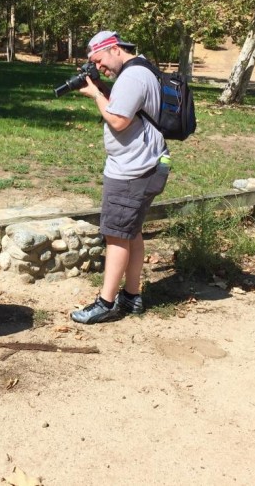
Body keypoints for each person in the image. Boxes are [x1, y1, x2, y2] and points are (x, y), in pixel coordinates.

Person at [71, 31, 171, 324]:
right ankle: (132, 295)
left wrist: (96, 94)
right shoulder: (140, 70)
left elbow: (117, 119)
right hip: (143, 164)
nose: (98, 66)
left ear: (114, 49)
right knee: (131, 232)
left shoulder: (132, 77)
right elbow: (127, 108)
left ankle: (106, 302)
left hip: (132, 169)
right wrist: (103, 88)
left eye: (99, 60)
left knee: (116, 235)